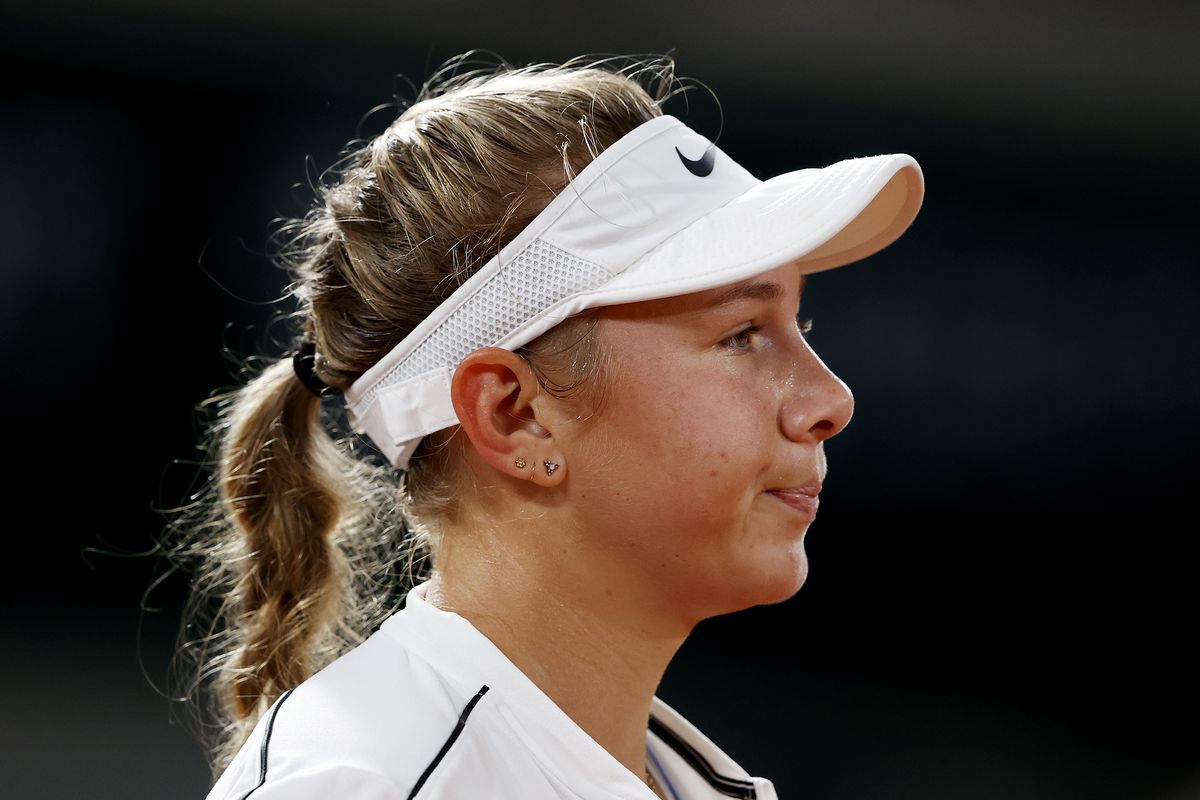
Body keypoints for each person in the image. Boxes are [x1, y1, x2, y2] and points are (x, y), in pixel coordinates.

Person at [167, 51, 925, 800]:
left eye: (800, 321)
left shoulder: (683, 781)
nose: (831, 398)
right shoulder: (362, 784)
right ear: (515, 416)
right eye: (742, 334)